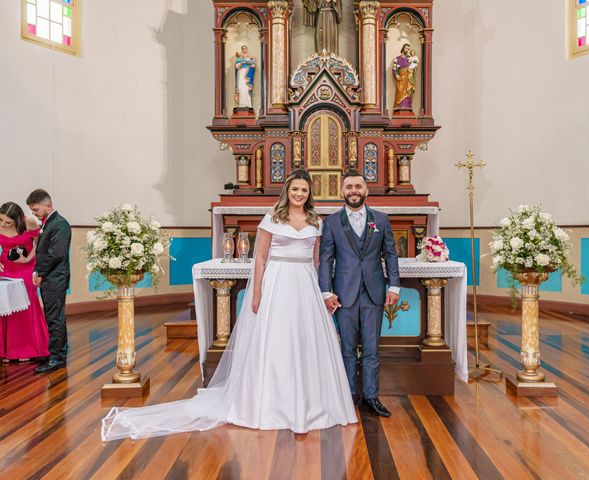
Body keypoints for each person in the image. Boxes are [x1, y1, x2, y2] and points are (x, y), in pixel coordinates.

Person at [101, 170, 357, 441]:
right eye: (295, 189)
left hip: (305, 284)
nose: (299, 194)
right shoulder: (272, 218)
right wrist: (256, 293)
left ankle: (310, 404)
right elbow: (259, 259)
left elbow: (318, 260)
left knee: (306, 341)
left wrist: (321, 292)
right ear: (287, 191)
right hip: (278, 281)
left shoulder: (316, 221)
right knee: (277, 339)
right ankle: (269, 402)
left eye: (304, 190)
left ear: (309, 194)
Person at [319, 170, 401, 417]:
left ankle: (371, 397)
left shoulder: (381, 219)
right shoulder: (331, 222)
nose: (353, 190)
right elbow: (326, 260)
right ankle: (348, 396)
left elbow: (390, 254)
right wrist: (326, 291)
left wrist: (394, 286)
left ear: (366, 190)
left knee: (372, 349)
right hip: (344, 294)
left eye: (358, 186)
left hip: (374, 293)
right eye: (349, 187)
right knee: (346, 349)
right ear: (342, 191)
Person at [26, 189, 71, 374]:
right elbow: (43, 253)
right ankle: (55, 353)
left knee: (55, 319)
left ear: (48, 205)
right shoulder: (48, 223)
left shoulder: (60, 224)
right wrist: (38, 271)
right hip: (50, 277)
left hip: (55, 278)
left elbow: (56, 254)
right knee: (52, 318)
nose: (34, 213)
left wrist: (40, 273)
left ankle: (57, 358)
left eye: (35, 209)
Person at [0, 202, 49, 362]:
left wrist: (28, 258)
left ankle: (28, 349)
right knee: (7, 306)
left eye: (8, 222)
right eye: (1, 221)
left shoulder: (30, 222)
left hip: (26, 268)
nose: (4, 224)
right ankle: (8, 351)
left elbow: (40, 241)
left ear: (18, 219)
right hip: (6, 268)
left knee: (27, 304)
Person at [392, 43, 417, 111]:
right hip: (401, 78)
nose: (407, 50)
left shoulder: (409, 59)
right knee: (400, 92)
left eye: (408, 49)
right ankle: (400, 106)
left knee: (408, 92)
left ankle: (407, 107)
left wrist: (412, 70)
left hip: (408, 78)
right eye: (406, 48)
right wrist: (396, 75)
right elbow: (394, 68)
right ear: (403, 48)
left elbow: (413, 67)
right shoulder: (397, 59)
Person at [234, 45, 256, 109]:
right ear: (241, 50)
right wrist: (240, 63)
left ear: (247, 49)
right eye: (243, 49)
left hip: (247, 74)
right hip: (241, 74)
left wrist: (250, 64)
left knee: (247, 88)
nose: (244, 50)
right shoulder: (239, 59)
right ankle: (241, 104)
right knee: (241, 87)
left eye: (245, 48)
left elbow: (253, 65)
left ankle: (248, 103)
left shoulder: (250, 58)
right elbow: (236, 66)